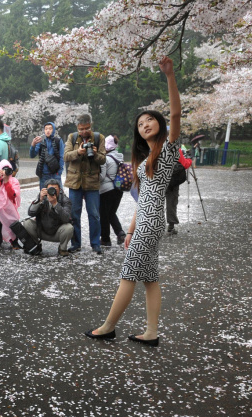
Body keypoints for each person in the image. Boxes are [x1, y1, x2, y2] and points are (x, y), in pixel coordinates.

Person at [86, 56, 182, 347]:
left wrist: (169, 77)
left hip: (151, 224)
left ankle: (108, 326)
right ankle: (151, 332)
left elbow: (177, 115)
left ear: (160, 124)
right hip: (147, 221)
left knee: (129, 275)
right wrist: (129, 230)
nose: (145, 125)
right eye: (140, 123)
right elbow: (144, 200)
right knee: (150, 278)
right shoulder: (145, 158)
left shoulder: (167, 149)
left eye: (150, 120)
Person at [63, 113, 107, 255]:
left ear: (91, 125)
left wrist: (94, 153)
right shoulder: (72, 137)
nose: (84, 132)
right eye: (81, 129)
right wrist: (78, 152)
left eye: (86, 128)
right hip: (75, 182)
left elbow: (103, 159)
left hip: (92, 182)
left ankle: (95, 244)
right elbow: (66, 156)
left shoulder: (99, 138)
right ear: (77, 127)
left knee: (94, 214)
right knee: (74, 214)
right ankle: (76, 244)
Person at [17, 180, 73, 256]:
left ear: (60, 189)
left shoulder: (65, 200)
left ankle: (62, 249)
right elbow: (30, 212)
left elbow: (66, 218)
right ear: (45, 189)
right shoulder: (43, 197)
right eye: (50, 189)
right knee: (27, 223)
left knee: (69, 228)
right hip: (41, 230)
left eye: (55, 189)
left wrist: (55, 204)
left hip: (57, 232)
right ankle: (35, 245)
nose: (52, 191)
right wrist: (39, 200)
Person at [99, 135, 128, 247]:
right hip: (118, 189)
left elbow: (101, 177)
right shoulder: (119, 156)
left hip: (106, 191)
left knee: (104, 215)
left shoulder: (105, 159)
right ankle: (120, 233)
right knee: (111, 213)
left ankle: (105, 239)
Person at [30, 122, 65, 188]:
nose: (48, 130)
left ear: (53, 130)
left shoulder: (58, 141)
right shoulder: (41, 141)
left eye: (50, 129)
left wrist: (59, 173)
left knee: (57, 196)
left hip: (55, 174)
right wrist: (33, 145)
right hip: (44, 175)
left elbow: (61, 157)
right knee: (44, 196)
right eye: (46, 129)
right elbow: (32, 155)